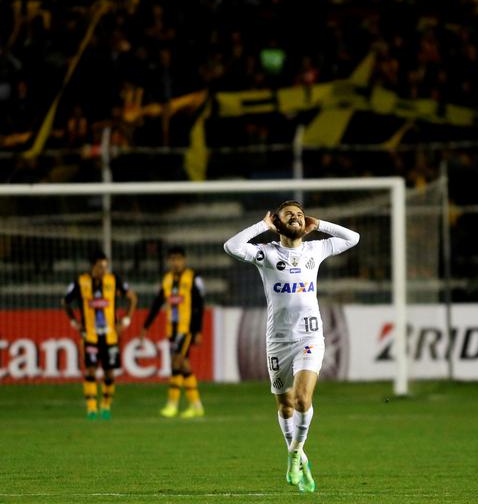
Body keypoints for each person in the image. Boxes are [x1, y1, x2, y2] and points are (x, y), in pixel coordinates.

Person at [223, 200, 360, 493]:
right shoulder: (267, 253)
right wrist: (263, 226)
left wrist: (319, 223)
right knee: (285, 407)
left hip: (310, 337)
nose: (296, 217)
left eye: (299, 214)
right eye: (290, 215)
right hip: (277, 341)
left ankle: (296, 453)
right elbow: (231, 246)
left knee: (302, 400)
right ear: (278, 222)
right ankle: (298, 457)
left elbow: (353, 238)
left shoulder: (316, 249)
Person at [62, 251, 137, 420]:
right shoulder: (81, 281)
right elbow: (65, 302)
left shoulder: (113, 280)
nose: (104, 269)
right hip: (90, 335)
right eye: (100, 266)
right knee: (90, 370)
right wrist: (74, 321)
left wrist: (125, 321)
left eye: (106, 266)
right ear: (93, 266)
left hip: (110, 335)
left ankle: (106, 405)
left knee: (109, 372)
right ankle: (91, 408)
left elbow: (132, 298)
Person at [140, 246, 206, 418]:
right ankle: (196, 405)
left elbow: (199, 306)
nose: (176, 263)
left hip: (186, 329)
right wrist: (146, 326)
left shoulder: (193, 278)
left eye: (178, 259)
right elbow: (157, 303)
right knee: (183, 364)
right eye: (173, 259)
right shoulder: (167, 279)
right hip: (172, 329)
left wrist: (198, 330)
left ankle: (172, 404)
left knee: (176, 363)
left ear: (184, 260)